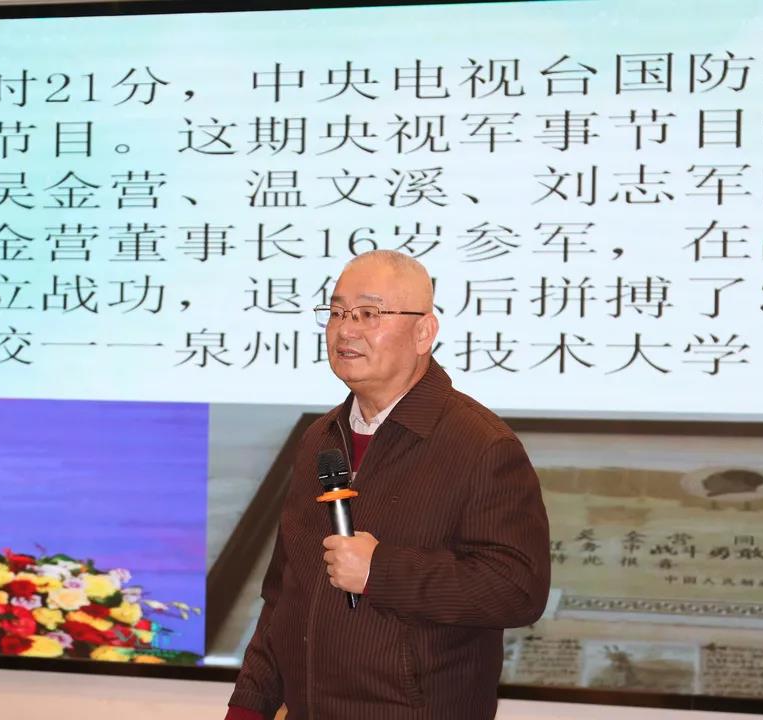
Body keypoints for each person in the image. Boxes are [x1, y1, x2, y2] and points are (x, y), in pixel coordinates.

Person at [226, 250, 550, 720]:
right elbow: (283, 594)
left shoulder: (481, 445)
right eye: (337, 312)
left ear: (424, 332)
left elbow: (517, 590)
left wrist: (381, 570)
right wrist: (249, 705)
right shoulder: (320, 438)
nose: (345, 330)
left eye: (369, 313)